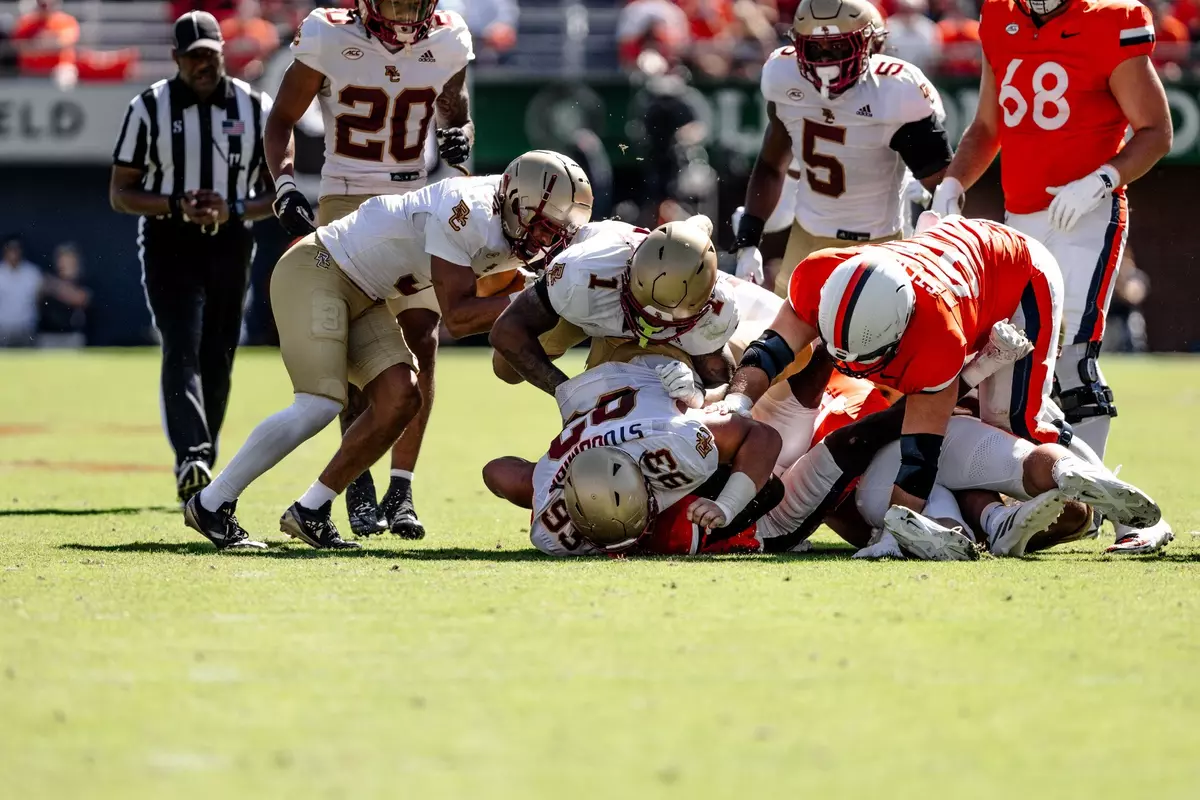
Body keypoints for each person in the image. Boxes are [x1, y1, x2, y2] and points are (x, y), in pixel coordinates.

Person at [183, 151, 593, 551]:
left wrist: (542, 287)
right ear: (517, 204)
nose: (547, 240)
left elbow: (510, 284)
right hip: (319, 268)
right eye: (543, 227)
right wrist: (539, 295)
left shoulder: (512, 221)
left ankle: (311, 510)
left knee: (402, 396)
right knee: (318, 403)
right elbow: (459, 317)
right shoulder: (468, 210)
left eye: (557, 232)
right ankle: (211, 503)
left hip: (368, 294)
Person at [715, 214, 1163, 541]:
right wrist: (734, 404)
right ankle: (994, 519)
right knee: (961, 437)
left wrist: (894, 534)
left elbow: (919, 456)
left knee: (1013, 421)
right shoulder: (821, 278)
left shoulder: (935, 335)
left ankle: (1128, 514)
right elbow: (770, 350)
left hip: (1018, 277)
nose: (851, 365)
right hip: (958, 264)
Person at [929, 0, 1174, 552]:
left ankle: (1133, 518)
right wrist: (952, 184)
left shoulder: (1111, 19)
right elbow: (989, 126)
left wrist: (1104, 178)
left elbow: (1156, 131)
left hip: (1088, 211)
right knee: (1019, 367)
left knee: (1072, 356)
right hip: (1022, 219)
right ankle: (1073, 500)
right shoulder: (1000, 17)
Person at [264, 0, 475, 538]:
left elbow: (457, 114)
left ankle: (400, 489)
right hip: (347, 199)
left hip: (413, 201)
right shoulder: (328, 34)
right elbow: (282, 118)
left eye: (414, 2)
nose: (404, 14)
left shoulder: (449, 38)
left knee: (424, 337)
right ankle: (357, 486)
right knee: (358, 353)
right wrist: (285, 182)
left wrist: (459, 137)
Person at [110, 11, 277, 503]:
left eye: (211, 55)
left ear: (224, 53)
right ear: (176, 58)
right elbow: (120, 192)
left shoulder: (255, 106)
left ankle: (202, 458)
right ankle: (193, 455)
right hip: (169, 241)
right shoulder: (148, 108)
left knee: (219, 352)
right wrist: (175, 205)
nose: (204, 65)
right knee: (181, 342)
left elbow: (278, 191)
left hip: (231, 238)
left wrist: (235, 209)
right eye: (194, 57)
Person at [730, 0, 954, 297]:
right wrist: (748, 240)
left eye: (838, 47)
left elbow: (942, 182)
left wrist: (934, 224)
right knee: (793, 337)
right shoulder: (783, 76)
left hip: (879, 245)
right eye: (815, 49)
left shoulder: (897, 88)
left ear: (868, 45)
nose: (826, 62)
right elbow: (771, 165)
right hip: (808, 238)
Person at [481, 356, 783, 557]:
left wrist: (727, 505)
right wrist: (544, 478)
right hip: (597, 405)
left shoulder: (675, 443)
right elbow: (495, 472)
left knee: (768, 487)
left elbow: (764, 437)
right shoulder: (551, 514)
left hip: (654, 376)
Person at [490, 217, 738, 397]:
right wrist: (568, 393)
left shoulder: (718, 308)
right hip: (593, 302)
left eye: (665, 320)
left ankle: (691, 227)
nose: (649, 324)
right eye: (643, 311)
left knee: (618, 402)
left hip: (610, 302)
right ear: (628, 273)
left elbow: (723, 381)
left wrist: (698, 394)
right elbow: (506, 331)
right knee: (505, 369)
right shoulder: (583, 274)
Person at [37, 243, 91, 348]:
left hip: (72, 335)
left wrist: (56, 286)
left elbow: (81, 299)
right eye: (63, 258)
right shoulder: (48, 275)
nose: (65, 262)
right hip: (48, 335)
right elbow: (38, 297)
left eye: (69, 258)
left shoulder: (82, 280)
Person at [0, 237, 43, 348]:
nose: (13, 253)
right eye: (10, 249)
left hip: (26, 328)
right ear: (5, 251)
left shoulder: (32, 273)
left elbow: (39, 300)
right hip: (3, 328)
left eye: (16, 249)